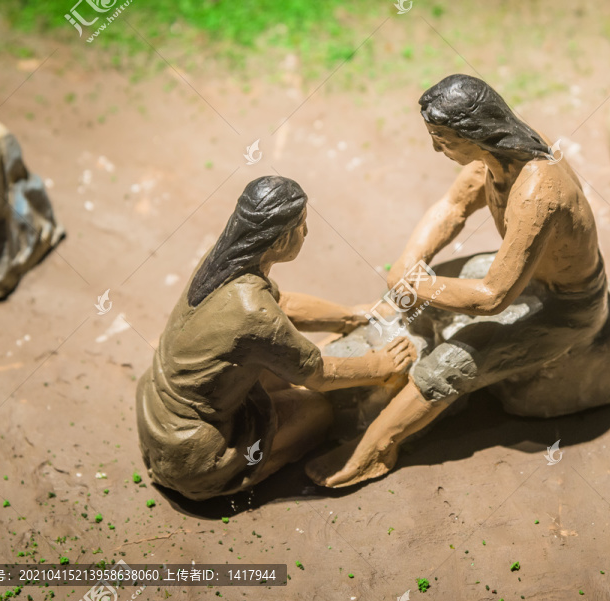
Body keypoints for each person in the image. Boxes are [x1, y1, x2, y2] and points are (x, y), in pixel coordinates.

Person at [306, 74, 610, 488]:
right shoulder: (498, 156)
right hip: (528, 276)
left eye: (442, 138)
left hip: (565, 307)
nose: (436, 148)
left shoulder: (537, 191)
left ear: (475, 133)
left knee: (451, 363)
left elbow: (492, 297)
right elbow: (452, 207)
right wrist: (410, 263)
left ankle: (376, 449)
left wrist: (416, 284)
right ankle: (356, 351)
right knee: (411, 301)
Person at [136, 176, 416, 500]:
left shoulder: (220, 264)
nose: (307, 233)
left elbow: (283, 305)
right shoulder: (252, 310)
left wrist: (352, 315)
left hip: (155, 418)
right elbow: (319, 376)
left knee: (271, 373)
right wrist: (381, 365)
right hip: (197, 453)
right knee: (318, 412)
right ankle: (233, 475)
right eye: (302, 226)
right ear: (281, 239)